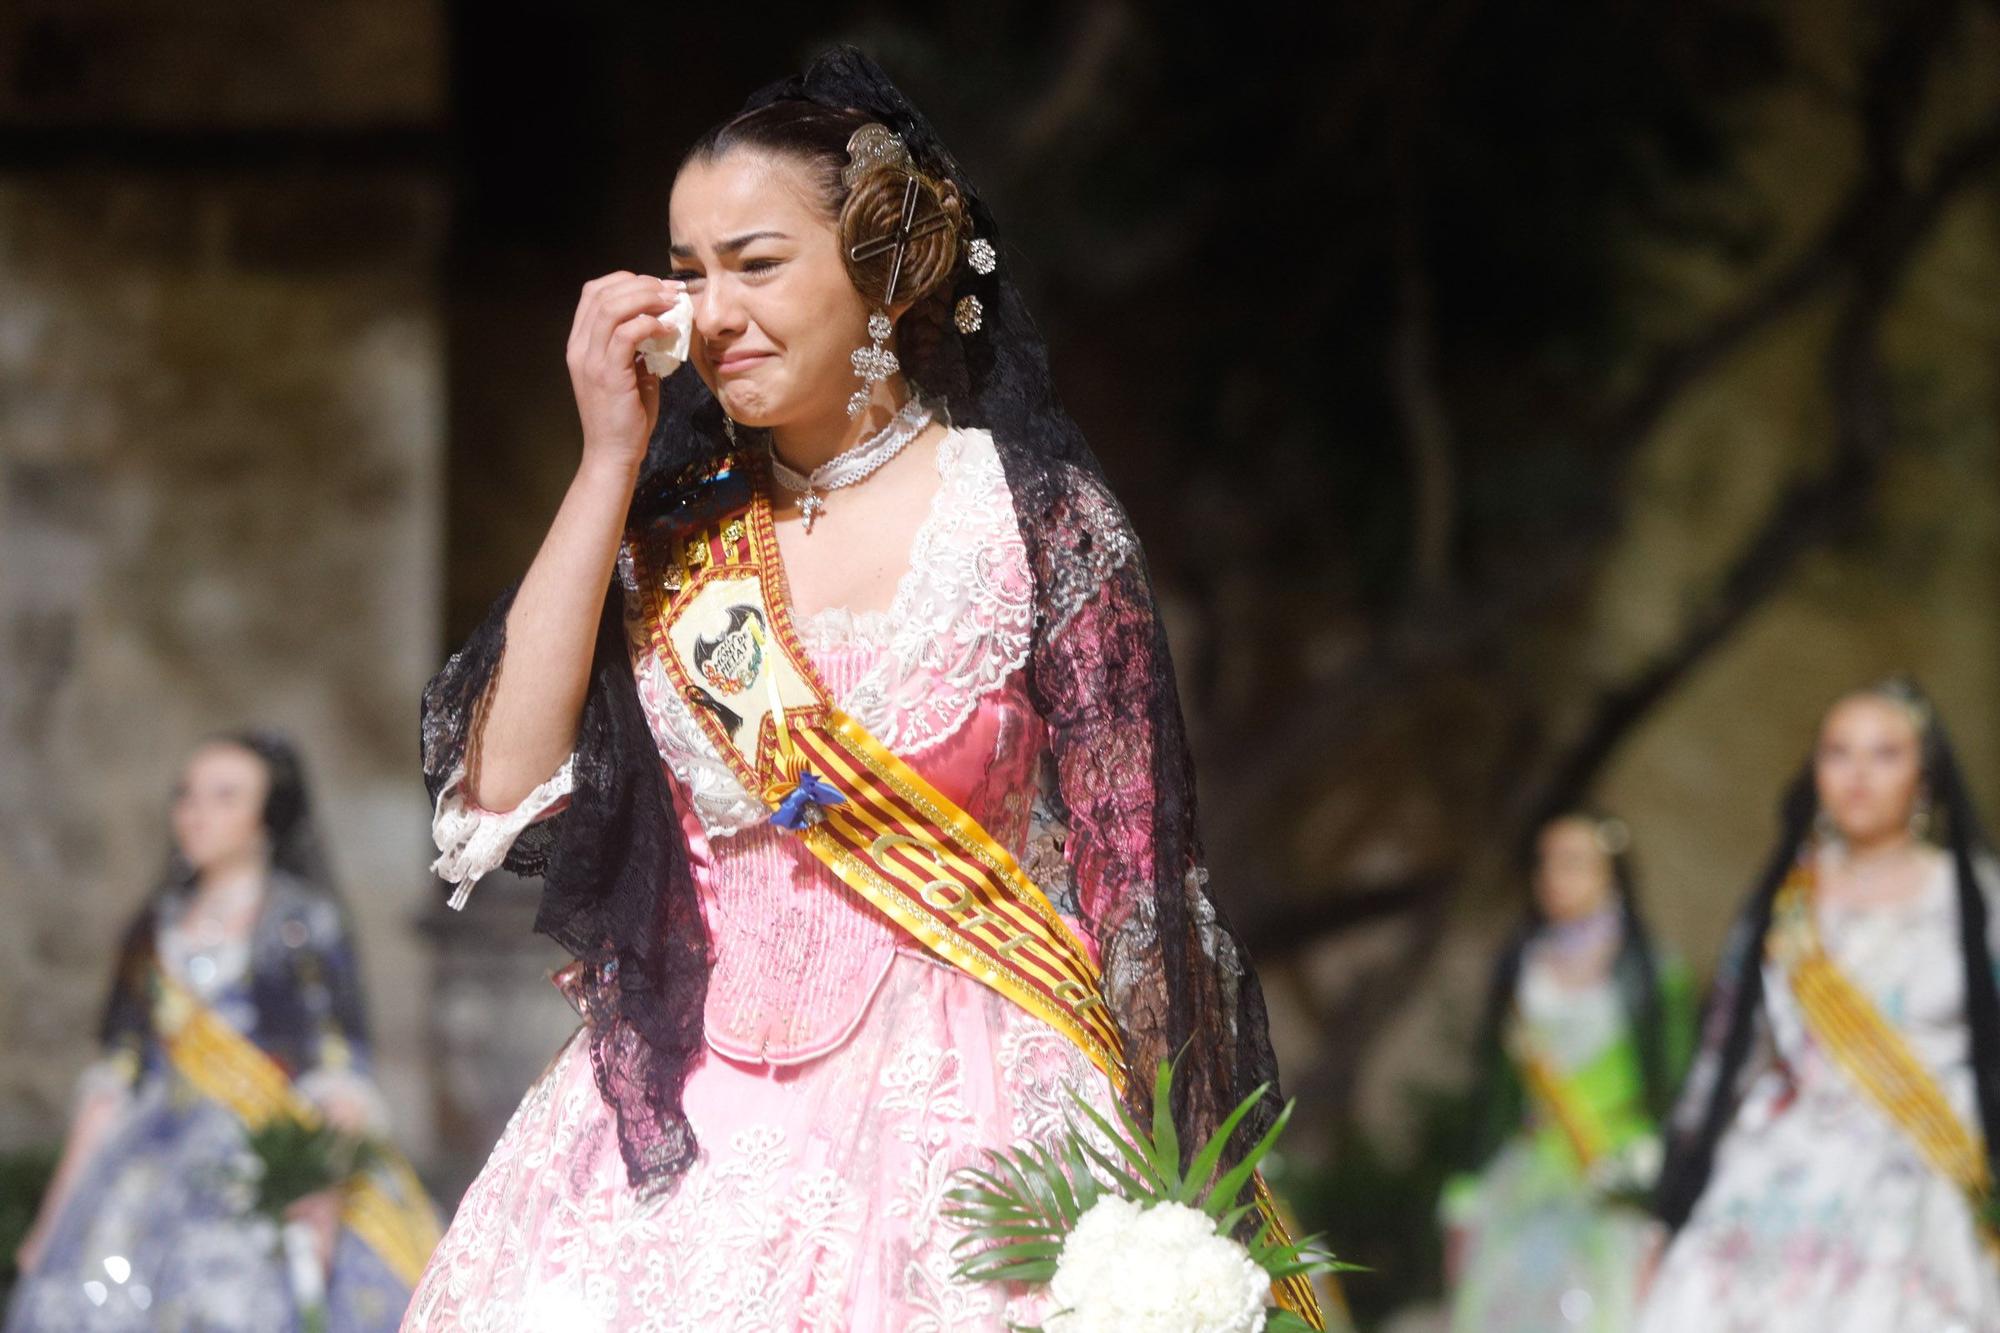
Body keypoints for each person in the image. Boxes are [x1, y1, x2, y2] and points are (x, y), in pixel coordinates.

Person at [406, 44, 1322, 1332]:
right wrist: (607, 453)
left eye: (756, 262)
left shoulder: (1027, 520)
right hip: (693, 1123)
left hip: (968, 1101)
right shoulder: (669, 539)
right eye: (686, 272)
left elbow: (1138, 885)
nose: (711, 313)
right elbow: (494, 796)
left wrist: (1185, 1201)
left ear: (883, 265)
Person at [6, 731, 436, 1332]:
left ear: (267, 816)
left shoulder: (301, 925)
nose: (196, 813)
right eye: (187, 795)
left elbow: (338, 1070)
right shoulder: (154, 930)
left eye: (225, 796)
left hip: (262, 1158)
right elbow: (116, 1077)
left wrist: (320, 1189)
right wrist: (51, 1223)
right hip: (146, 1161)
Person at [1640, 677, 2000, 1331]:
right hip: (1776, 1169)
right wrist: (1673, 1200)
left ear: (1926, 771)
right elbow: (1726, 1049)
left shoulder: (1973, 899)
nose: (1858, 775)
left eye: (1885, 753)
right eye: (1838, 751)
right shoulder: (1786, 899)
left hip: (1922, 1173)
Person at [1440, 811, 1692, 1332]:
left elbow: (1673, 1091)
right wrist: (1467, 1185)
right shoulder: (1523, 963)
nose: (1555, 876)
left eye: (1575, 862)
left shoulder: (1652, 975)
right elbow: (1494, 1092)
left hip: (1608, 1178)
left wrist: (1651, 1178)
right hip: (1524, 1177)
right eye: (1547, 861)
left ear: (1612, 873)